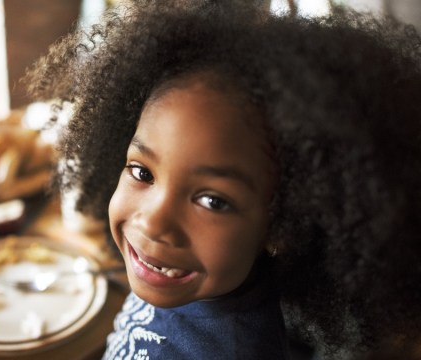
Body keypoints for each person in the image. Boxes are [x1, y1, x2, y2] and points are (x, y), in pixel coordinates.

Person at [24, 1, 421, 359]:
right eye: (143, 173)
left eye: (213, 201)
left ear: (282, 226)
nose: (152, 221)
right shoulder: (186, 279)